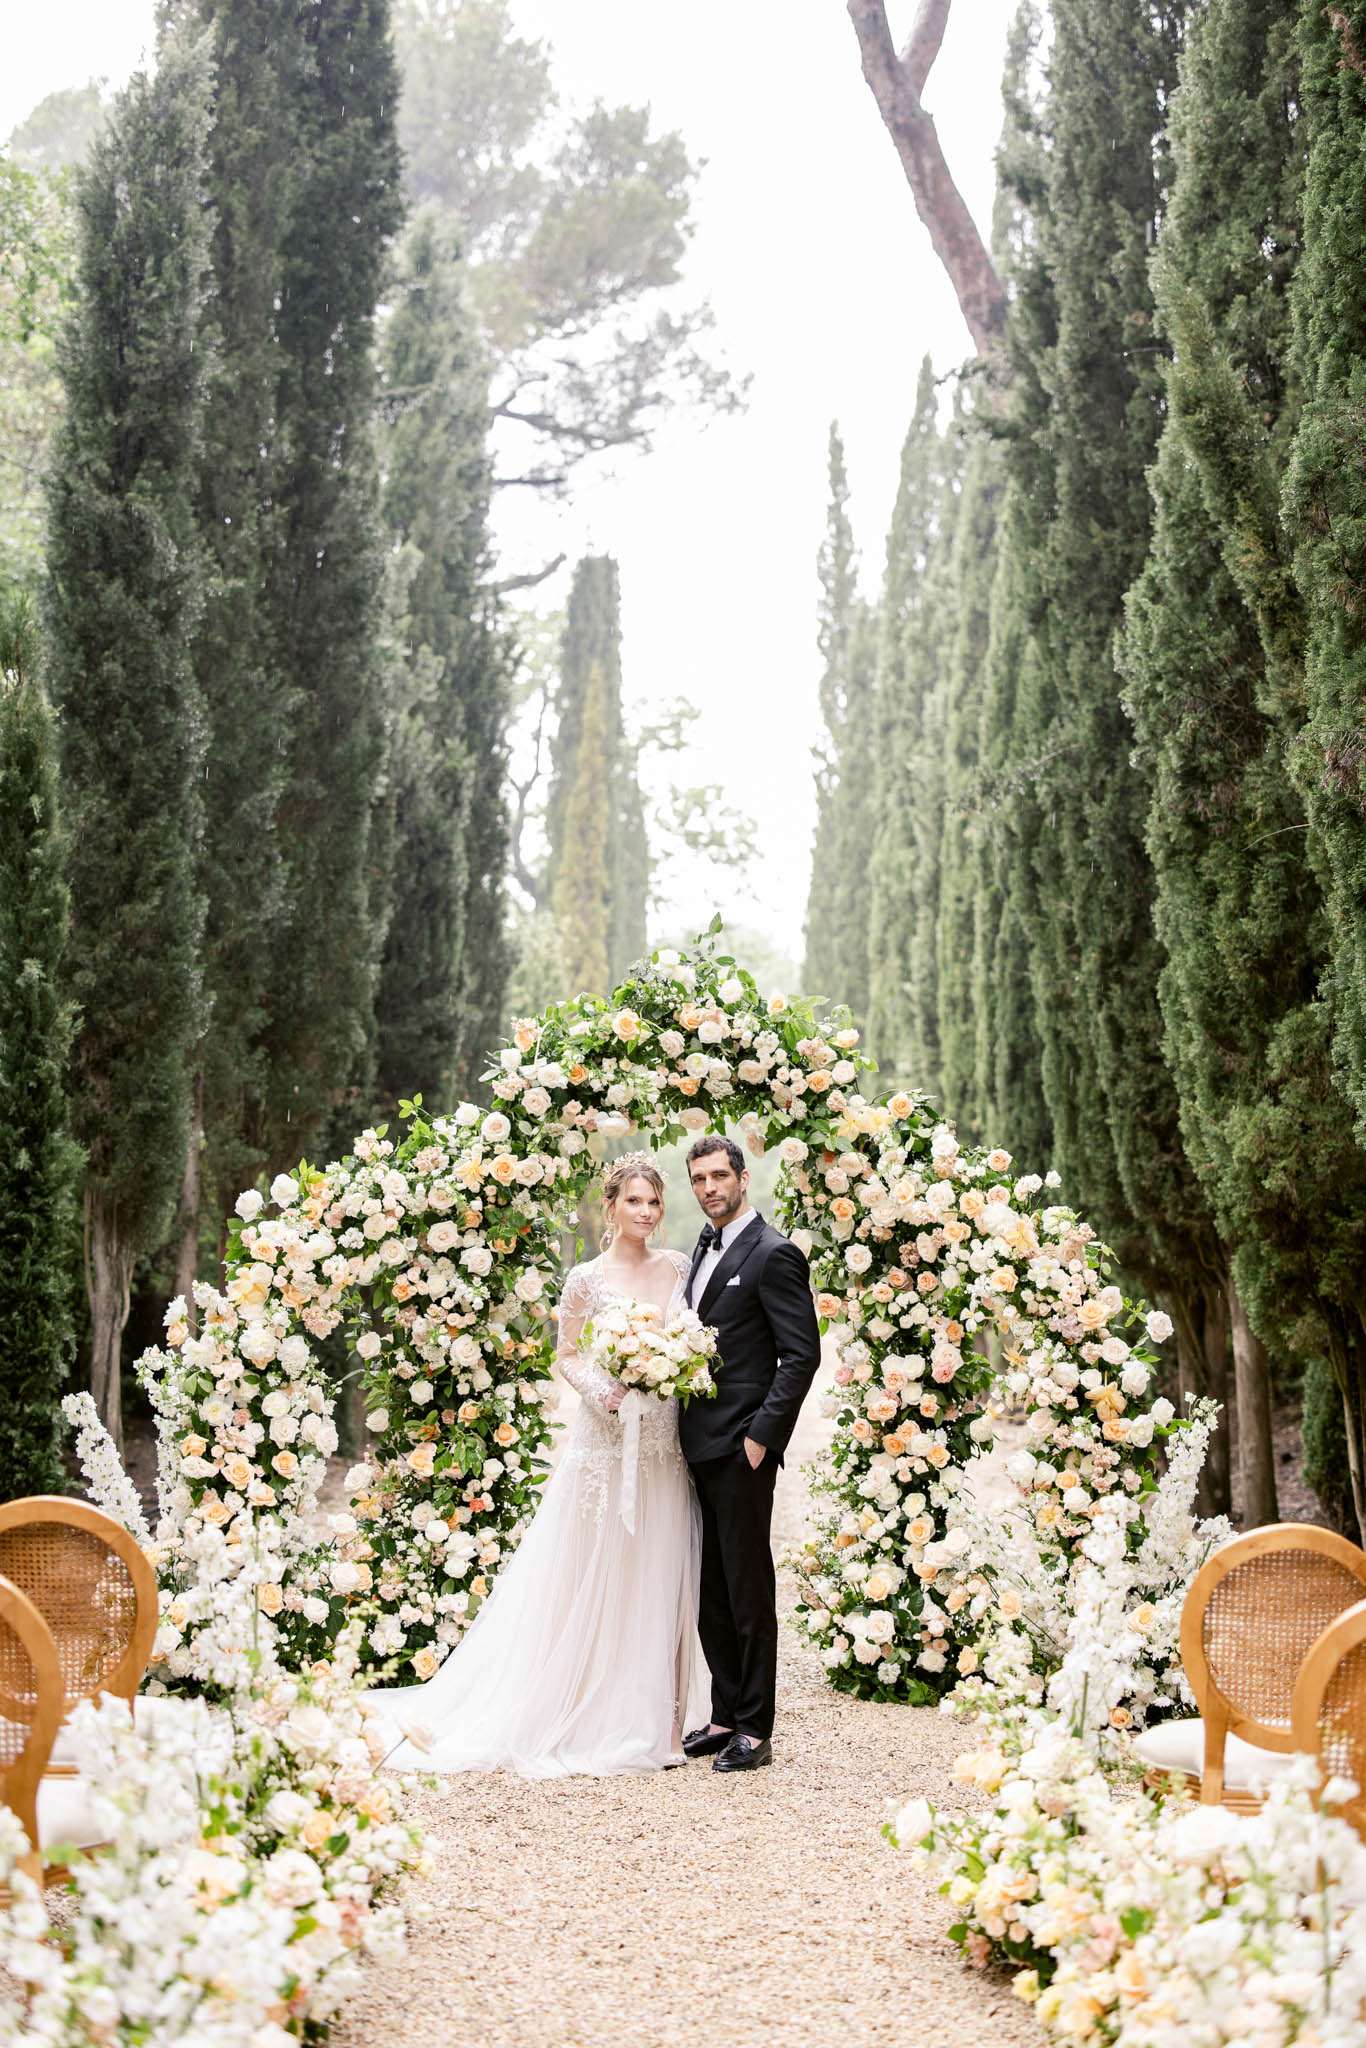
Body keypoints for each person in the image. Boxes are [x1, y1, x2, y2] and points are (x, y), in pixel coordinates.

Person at [366, 1153, 709, 1778]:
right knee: (595, 1569)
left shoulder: (678, 1268)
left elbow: (686, 1338)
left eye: (653, 1202)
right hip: (604, 1444)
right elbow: (568, 1355)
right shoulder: (585, 1278)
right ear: (611, 1206)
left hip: (661, 1444)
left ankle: (662, 1718)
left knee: (660, 1569)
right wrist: (605, 1391)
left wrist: (672, 1366)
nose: (645, 1212)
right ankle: (586, 1703)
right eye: (634, 1201)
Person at [677, 1134, 822, 1773]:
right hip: (696, 1445)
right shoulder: (699, 1251)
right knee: (711, 1587)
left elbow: (801, 1355)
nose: (709, 1188)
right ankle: (723, 1714)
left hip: (742, 1449)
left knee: (747, 1585)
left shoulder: (774, 1254)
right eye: (699, 1179)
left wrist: (762, 1436)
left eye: (718, 1176)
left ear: (742, 1177)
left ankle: (755, 1730)